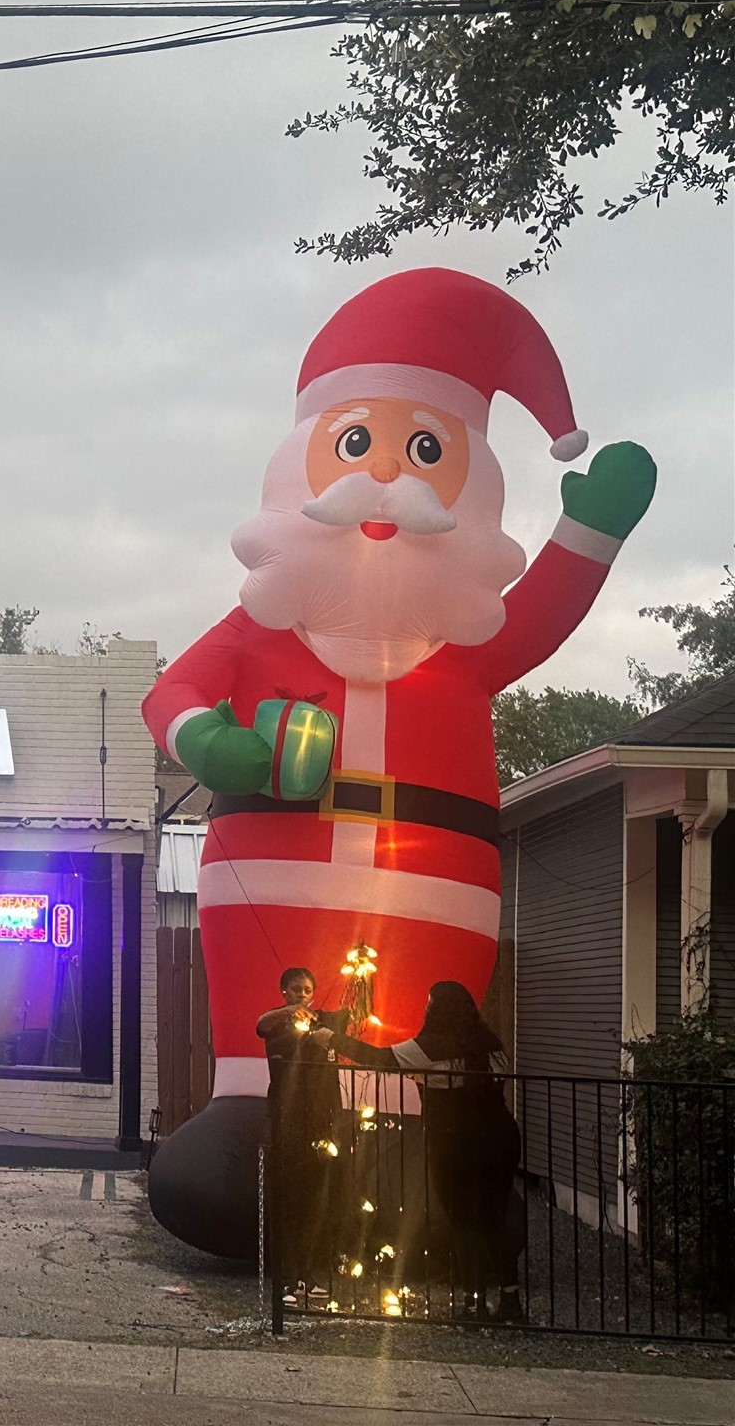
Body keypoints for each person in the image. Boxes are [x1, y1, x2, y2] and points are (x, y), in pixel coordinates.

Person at [139, 267, 657, 1260]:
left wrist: (586, 534)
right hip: (269, 875)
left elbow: (541, 614)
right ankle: (250, 1122)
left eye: (425, 450)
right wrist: (209, 739)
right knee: (272, 1043)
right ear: (304, 462)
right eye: (355, 445)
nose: (386, 477)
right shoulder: (261, 624)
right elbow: (175, 694)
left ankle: (416, 1179)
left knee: (418, 1048)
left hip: (434, 877)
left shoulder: (467, 644)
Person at [311, 980, 523, 1322]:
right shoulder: (491, 1044)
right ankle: (511, 1301)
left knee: (463, 1218)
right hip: (500, 1136)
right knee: (493, 1216)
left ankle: (473, 1303)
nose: (425, 1009)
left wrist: (331, 1038)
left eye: (429, 1003)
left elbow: (380, 1059)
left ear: (439, 1009)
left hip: (454, 1139)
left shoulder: (431, 1047)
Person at [254, 967, 348, 1301]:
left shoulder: (323, 1023)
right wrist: (288, 1012)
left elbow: (352, 1018)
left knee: (314, 1199)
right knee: (288, 1199)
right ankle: (286, 1277)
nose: (303, 996)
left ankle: (307, 1274)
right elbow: (261, 1025)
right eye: (296, 990)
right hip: (287, 1118)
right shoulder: (277, 1024)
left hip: (320, 1120)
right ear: (284, 991)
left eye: (309, 990)